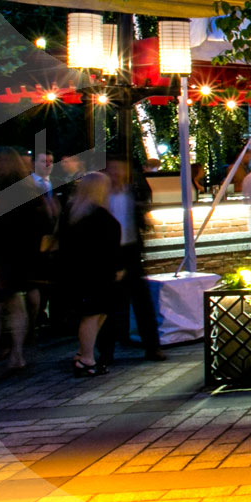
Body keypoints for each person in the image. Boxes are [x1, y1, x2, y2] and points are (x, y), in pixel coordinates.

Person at [0, 151, 50, 382]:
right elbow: (44, 223)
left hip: (0, 258)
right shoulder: (30, 191)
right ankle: (17, 354)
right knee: (14, 304)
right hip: (22, 258)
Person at [58, 172, 124, 378]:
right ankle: (86, 358)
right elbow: (109, 247)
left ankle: (83, 354)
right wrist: (116, 268)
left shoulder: (74, 214)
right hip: (98, 273)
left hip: (80, 272)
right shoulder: (100, 217)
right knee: (94, 314)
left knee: (95, 313)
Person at [98, 157, 164, 366]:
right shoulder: (101, 196)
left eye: (120, 170)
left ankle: (152, 346)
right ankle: (106, 351)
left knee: (142, 301)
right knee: (108, 303)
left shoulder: (132, 193)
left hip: (131, 250)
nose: (116, 174)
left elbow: (142, 214)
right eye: (113, 170)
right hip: (109, 252)